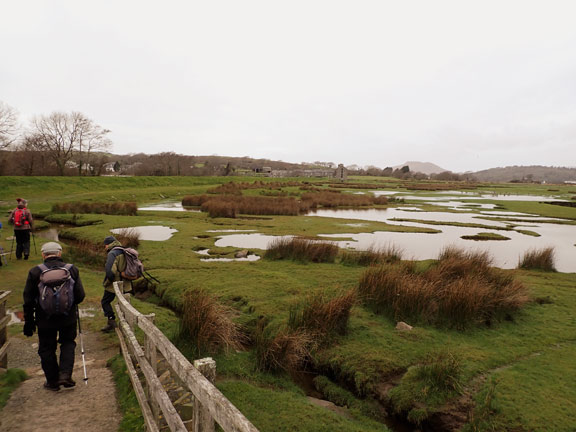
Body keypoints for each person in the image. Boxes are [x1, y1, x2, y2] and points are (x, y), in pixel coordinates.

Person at [23, 241, 85, 391]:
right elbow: (80, 295)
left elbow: (28, 300)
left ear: (43, 255)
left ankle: (52, 381)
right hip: (67, 317)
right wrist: (69, 305)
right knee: (68, 343)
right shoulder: (72, 270)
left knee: (46, 348)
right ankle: (65, 375)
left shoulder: (35, 272)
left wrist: (29, 322)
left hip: (44, 319)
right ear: (60, 253)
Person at [100, 235, 126, 332]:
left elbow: (110, 272)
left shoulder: (112, 253)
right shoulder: (123, 250)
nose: (105, 247)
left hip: (115, 283)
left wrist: (108, 282)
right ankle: (125, 324)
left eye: (105, 245)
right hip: (125, 283)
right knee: (124, 304)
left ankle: (111, 322)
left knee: (105, 302)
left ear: (108, 245)